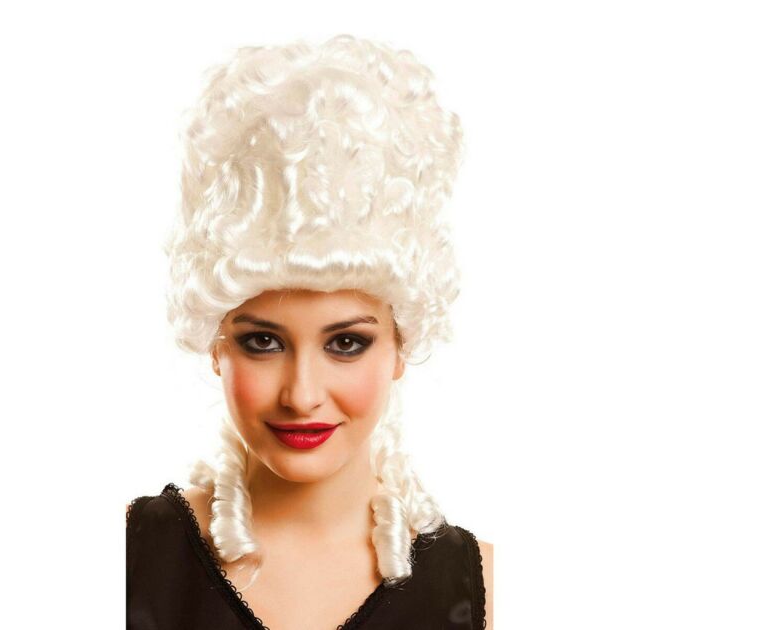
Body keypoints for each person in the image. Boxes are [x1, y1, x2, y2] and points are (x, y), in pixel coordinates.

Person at [126, 34, 492, 629]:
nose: (301, 395)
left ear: (400, 345)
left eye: (346, 343)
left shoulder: (487, 591)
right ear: (217, 345)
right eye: (262, 342)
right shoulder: (124, 562)